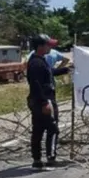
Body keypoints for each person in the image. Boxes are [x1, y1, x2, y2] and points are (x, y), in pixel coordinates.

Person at [26, 34, 70, 169]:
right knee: (53, 129)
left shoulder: (40, 60)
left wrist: (66, 69)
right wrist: (44, 103)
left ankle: (37, 161)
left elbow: (50, 73)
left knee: (38, 130)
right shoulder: (36, 63)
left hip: (41, 100)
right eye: (48, 45)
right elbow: (35, 84)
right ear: (40, 46)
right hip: (43, 101)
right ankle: (50, 158)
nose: (50, 47)